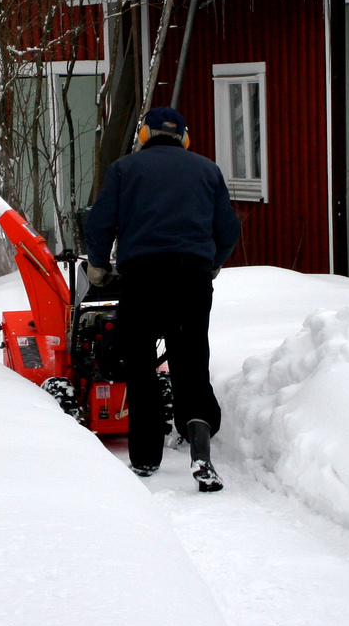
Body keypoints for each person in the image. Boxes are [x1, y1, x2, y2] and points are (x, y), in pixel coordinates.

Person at [83, 106, 240, 491]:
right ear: (183, 137)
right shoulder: (208, 170)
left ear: (145, 136)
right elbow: (228, 229)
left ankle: (145, 459)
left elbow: (100, 223)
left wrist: (99, 266)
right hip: (192, 281)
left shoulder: (124, 169)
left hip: (143, 281)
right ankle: (200, 452)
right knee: (190, 363)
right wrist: (212, 264)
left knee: (139, 365)